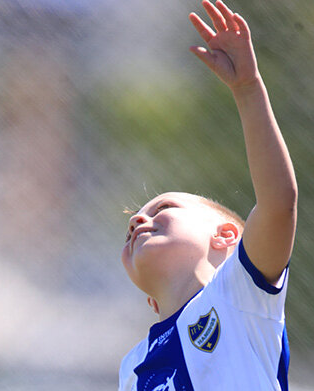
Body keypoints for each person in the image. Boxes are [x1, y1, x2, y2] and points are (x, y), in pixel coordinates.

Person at [118, 1, 297, 390]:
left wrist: (248, 90)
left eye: (163, 207)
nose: (137, 221)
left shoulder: (240, 296)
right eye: (136, 220)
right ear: (150, 300)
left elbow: (278, 204)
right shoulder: (132, 367)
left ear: (228, 238)